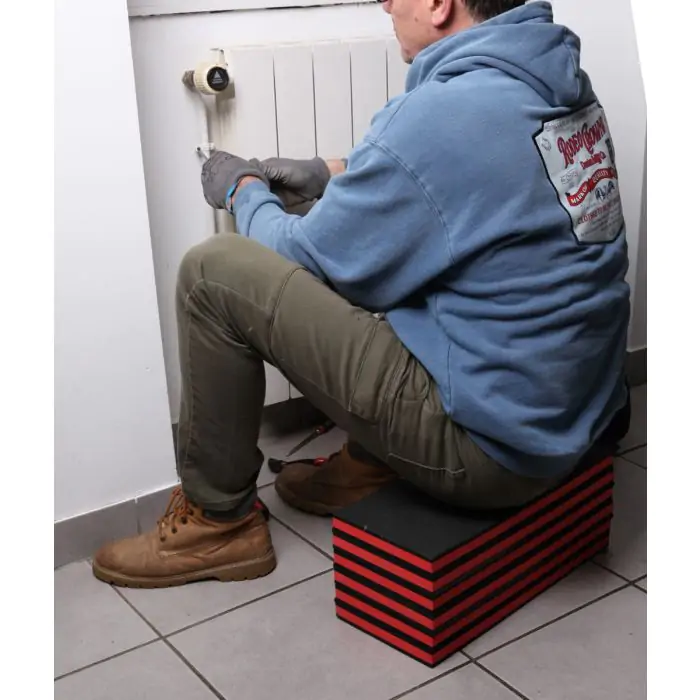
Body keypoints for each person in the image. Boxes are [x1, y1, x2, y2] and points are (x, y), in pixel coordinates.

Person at [92, 0, 631, 589]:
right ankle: (374, 463)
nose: (386, 5)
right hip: (577, 417)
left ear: (439, 4)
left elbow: (306, 257)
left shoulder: (442, 114)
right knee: (424, 267)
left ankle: (217, 524)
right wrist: (328, 172)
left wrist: (244, 191)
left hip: (495, 456)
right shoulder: (555, 84)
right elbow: (460, 180)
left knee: (211, 274)